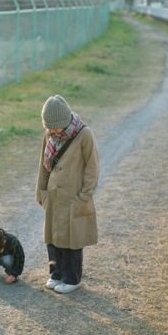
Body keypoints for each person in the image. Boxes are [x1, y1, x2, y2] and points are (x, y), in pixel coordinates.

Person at [36, 95, 99, 293]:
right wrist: (42, 192)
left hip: (74, 197)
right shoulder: (49, 135)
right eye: (49, 127)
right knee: (53, 236)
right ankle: (56, 274)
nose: (53, 131)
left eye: (56, 127)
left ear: (66, 121)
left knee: (72, 238)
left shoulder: (84, 134)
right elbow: (43, 166)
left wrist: (84, 197)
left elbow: (92, 167)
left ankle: (72, 279)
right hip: (53, 196)